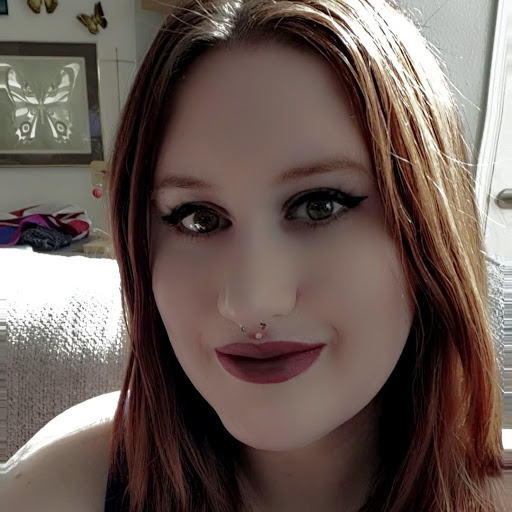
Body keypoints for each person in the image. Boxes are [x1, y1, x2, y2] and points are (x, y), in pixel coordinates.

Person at [3, 0, 506, 511]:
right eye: (199, 218)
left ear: (429, 229)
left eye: (319, 205)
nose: (251, 301)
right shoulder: (62, 487)